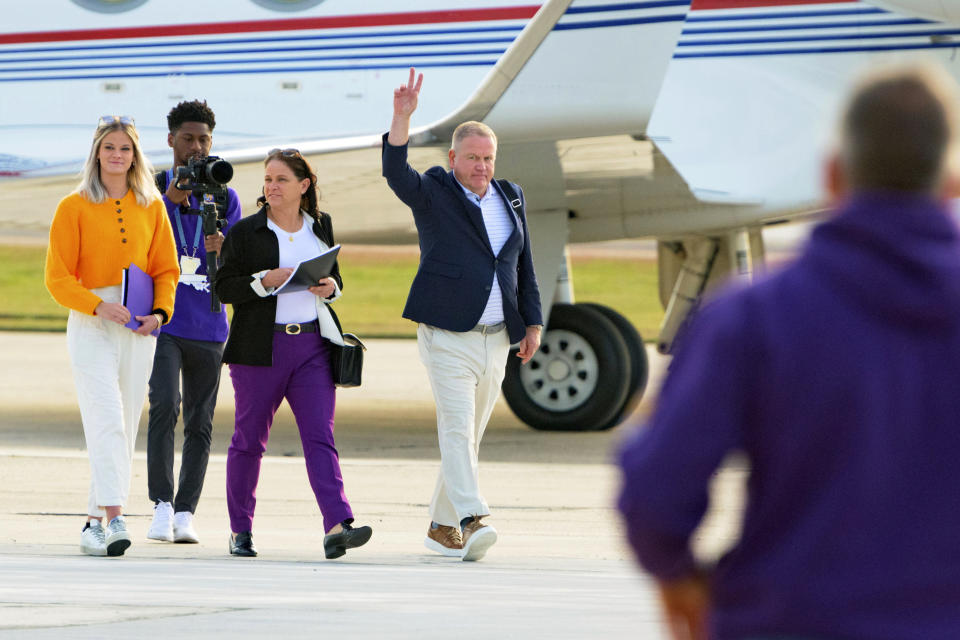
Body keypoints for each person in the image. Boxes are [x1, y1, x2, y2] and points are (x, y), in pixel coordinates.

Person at [617, 62, 960, 640]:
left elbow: (655, 493)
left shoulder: (754, 317)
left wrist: (679, 580)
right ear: (951, 187)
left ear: (832, 176)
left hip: (789, 619)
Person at [383, 68, 543, 562]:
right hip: (448, 335)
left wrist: (532, 322)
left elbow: (523, 265)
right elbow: (396, 174)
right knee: (456, 431)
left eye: (487, 158)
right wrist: (401, 121)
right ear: (453, 158)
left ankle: (439, 526)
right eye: (472, 158)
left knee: (468, 438)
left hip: (497, 337)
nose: (481, 167)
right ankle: (473, 518)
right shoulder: (435, 191)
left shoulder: (510, 195)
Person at [213, 148, 372, 559]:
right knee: (249, 442)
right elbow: (223, 288)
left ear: (304, 186)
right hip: (258, 350)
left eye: (281, 180)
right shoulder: (246, 232)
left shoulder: (321, 226)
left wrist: (331, 288)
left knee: (321, 436)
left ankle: (338, 524)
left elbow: (334, 277)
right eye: (268, 179)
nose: (271, 187)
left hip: (311, 348)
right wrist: (262, 281)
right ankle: (240, 530)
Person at [44, 115, 179, 557]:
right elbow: (57, 278)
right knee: (104, 417)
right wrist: (98, 305)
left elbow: (166, 270)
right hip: (91, 322)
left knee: (124, 424)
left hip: (140, 326)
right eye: (109, 148)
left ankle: (90, 524)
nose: (117, 155)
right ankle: (117, 516)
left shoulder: (152, 205)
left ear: (135, 155)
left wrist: (159, 314)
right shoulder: (74, 205)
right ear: (97, 153)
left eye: (125, 148)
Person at [146, 100, 241, 544]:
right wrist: (169, 202)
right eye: (188, 138)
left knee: (201, 422)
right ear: (171, 140)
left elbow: (237, 262)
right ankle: (161, 506)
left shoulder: (225, 192)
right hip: (164, 319)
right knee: (165, 405)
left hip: (209, 321)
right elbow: (141, 245)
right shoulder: (153, 187)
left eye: (204, 139)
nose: (196, 147)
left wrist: (221, 245)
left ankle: (186, 511)